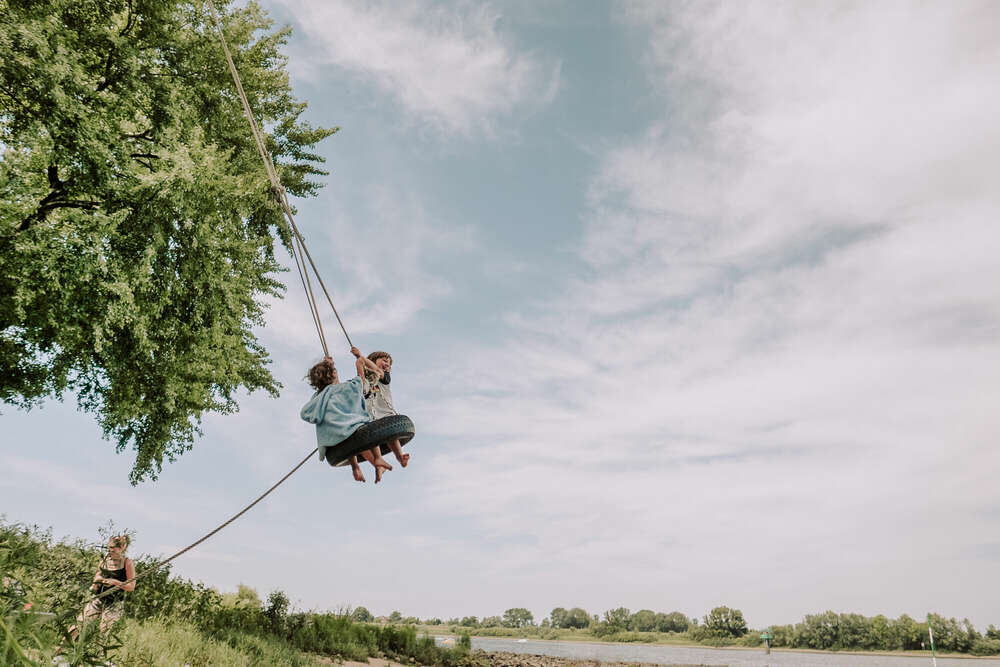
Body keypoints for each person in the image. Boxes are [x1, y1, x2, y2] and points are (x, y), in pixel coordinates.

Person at [301, 346, 393, 482]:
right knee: (364, 427)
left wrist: (329, 366)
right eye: (335, 371)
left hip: (331, 442)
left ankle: (355, 467)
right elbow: (360, 384)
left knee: (348, 434)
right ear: (333, 375)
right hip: (349, 433)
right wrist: (360, 365)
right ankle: (377, 461)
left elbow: (330, 390)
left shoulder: (317, 398)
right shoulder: (346, 388)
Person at [70, 535, 135, 639]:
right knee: (78, 625)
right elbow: (97, 575)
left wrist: (114, 582)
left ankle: (99, 654)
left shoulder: (127, 563)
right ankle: (56, 653)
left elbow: (131, 587)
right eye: (109, 548)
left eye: (113, 549)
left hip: (114, 604)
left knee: (102, 633)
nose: (110, 551)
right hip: (98, 598)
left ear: (121, 548)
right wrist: (97, 582)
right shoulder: (104, 561)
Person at [363, 350, 409, 467]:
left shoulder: (385, 378)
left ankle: (400, 457)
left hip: (386, 414)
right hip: (371, 416)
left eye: (389, 363)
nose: (387, 364)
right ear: (372, 361)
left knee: (392, 437)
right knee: (371, 435)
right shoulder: (366, 380)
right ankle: (377, 460)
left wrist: (360, 356)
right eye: (384, 360)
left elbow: (377, 370)